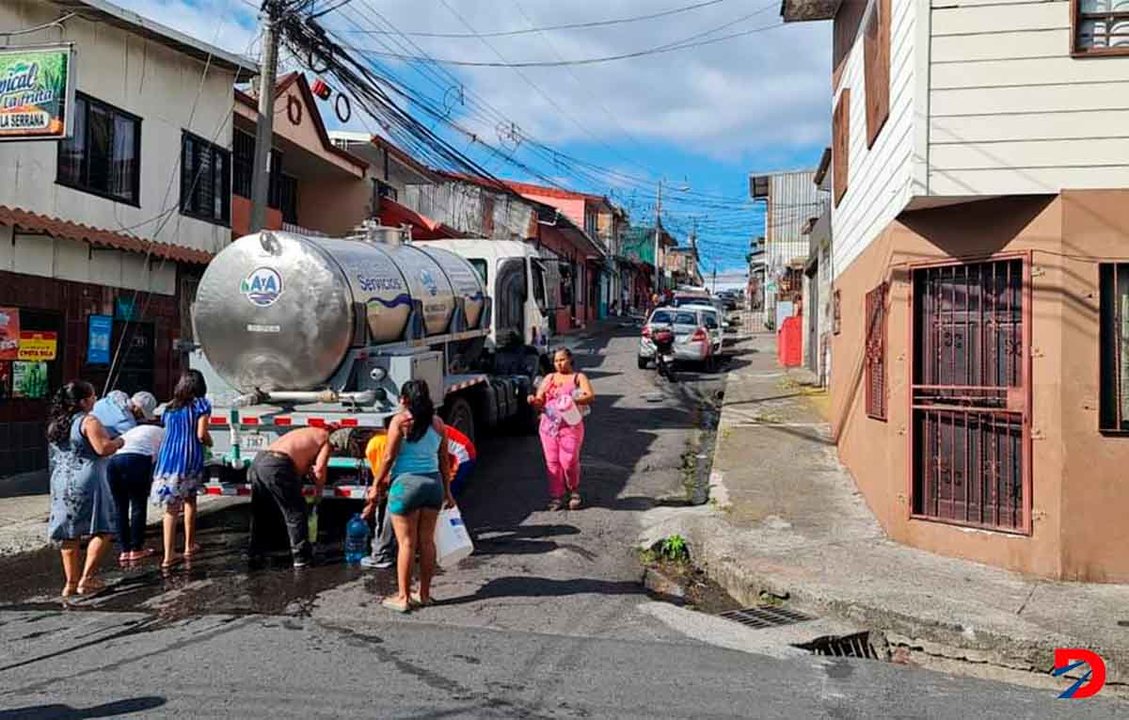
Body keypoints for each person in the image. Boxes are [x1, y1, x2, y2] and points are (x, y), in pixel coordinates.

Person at [368, 380, 454, 613]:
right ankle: (424, 594)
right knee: (427, 542)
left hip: (405, 485)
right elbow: (444, 460)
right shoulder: (438, 423)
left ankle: (404, 597)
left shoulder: (401, 421)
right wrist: (447, 491)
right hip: (433, 484)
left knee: (407, 543)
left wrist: (376, 485)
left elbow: (388, 457)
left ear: (405, 399)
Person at [361, 420, 475, 570]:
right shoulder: (418, 428)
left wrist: (372, 502)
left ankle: (444, 542)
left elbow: (386, 480)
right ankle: (429, 544)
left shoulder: (379, 444)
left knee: (442, 505)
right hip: (447, 463)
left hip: (462, 457)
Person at [46, 380, 124, 598]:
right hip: (88, 477)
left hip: (61, 478)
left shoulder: (56, 423)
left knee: (69, 533)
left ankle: (70, 583)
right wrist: (118, 442)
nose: (95, 400)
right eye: (92, 396)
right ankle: (87, 579)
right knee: (103, 527)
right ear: (82, 401)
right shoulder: (89, 421)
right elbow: (102, 448)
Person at [247, 426, 350, 568]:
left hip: (259, 461)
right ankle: (301, 557)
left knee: (261, 511)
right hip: (277, 465)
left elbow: (299, 456)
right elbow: (320, 469)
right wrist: (318, 493)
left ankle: (256, 552)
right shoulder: (326, 440)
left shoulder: (310, 432)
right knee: (295, 512)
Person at [151, 370, 212, 569]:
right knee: (190, 501)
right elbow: (201, 434)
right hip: (188, 457)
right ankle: (189, 545)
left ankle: (168, 555)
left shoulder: (169, 407)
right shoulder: (201, 405)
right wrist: (209, 442)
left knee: (170, 508)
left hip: (168, 459)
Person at [527, 348, 595, 511]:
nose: (559, 364)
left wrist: (574, 398)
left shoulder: (578, 377)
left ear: (570, 360)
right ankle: (557, 496)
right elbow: (540, 400)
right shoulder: (549, 378)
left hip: (571, 426)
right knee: (552, 463)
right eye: (556, 361)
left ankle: (573, 490)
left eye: (562, 360)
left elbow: (590, 396)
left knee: (569, 460)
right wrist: (533, 400)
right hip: (548, 427)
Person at [107, 421, 164, 564]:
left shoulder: (137, 431)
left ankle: (124, 550)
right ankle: (136, 548)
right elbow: (163, 460)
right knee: (138, 505)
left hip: (114, 460)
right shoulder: (165, 434)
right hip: (137, 459)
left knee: (120, 507)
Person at [92, 390, 158, 437]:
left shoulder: (110, 399)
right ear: (137, 409)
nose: (142, 418)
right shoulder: (127, 423)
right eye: (142, 415)